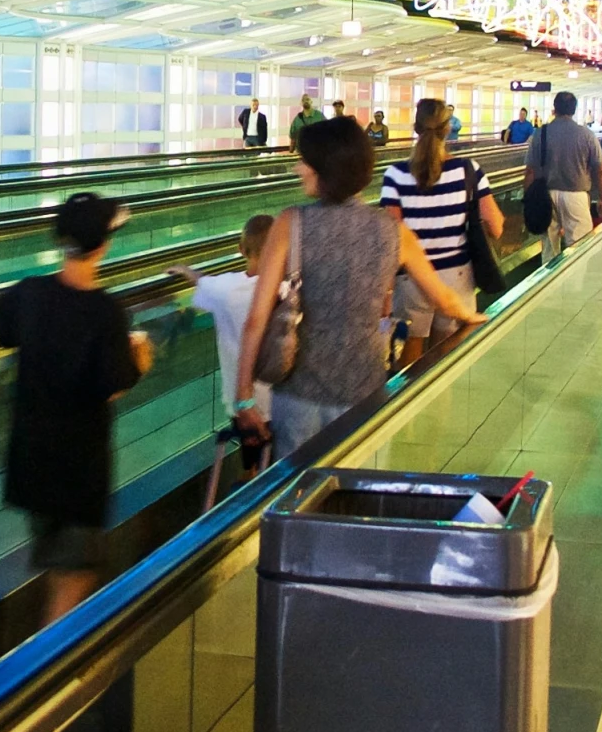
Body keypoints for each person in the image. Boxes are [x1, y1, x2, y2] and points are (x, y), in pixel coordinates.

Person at [234, 118, 479, 458]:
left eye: (305, 161)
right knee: (356, 492)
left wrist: (244, 395)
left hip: (298, 394)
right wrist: (475, 315)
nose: (297, 168)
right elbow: (445, 300)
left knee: (296, 497)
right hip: (365, 393)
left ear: (325, 168)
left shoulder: (290, 223)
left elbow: (257, 318)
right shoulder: (394, 231)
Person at [0, 193, 155, 623]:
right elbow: (112, 388)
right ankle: (47, 678)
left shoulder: (30, 294)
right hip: (79, 471)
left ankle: (47, 665)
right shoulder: (106, 313)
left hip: (30, 463)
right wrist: (141, 360)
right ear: (103, 246)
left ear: (61, 241)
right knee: (74, 578)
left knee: (60, 569)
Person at [380, 98, 504, 341]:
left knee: (409, 358)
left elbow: (391, 239)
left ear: (415, 128)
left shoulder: (395, 175)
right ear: (448, 129)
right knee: (447, 354)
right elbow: (496, 227)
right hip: (456, 275)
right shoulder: (469, 170)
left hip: (411, 278)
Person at [174, 216, 275, 481]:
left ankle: (247, 478)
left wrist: (186, 271)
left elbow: (201, 283)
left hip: (241, 401)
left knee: (249, 454)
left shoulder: (225, 289)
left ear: (241, 249)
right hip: (281, 399)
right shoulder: (285, 286)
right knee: (275, 460)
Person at [528, 91, 602, 263]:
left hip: (546, 195)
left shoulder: (540, 133)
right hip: (576, 195)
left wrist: (528, 199)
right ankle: (575, 284)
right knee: (579, 246)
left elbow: (530, 171)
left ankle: (548, 284)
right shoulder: (586, 134)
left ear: (554, 108)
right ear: (574, 110)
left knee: (549, 248)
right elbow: (600, 170)